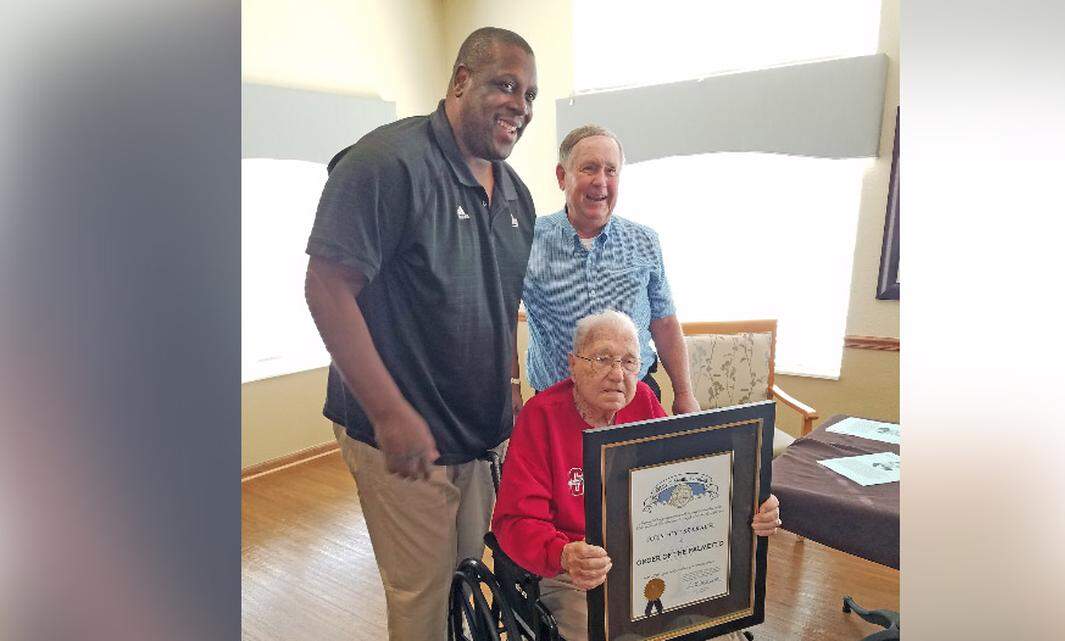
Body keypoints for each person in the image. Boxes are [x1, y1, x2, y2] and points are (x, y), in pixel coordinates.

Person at [303, 26, 538, 641]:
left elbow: (496, 303)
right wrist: (389, 414)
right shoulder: (387, 164)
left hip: (478, 437)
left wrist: (510, 386)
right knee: (422, 599)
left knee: (467, 579)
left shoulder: (515, 195)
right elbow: (327, 288)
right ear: (460, 81)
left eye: (530, 94)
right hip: (402, 442)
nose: (521, 105)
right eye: (505, 84)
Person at [492, 310, 781, 641]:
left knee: (715, 628)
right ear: (573, 364)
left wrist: (753, 503)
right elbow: (514, 522)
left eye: (629, 362)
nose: (617, 374)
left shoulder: (643, 400)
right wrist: (563, 553)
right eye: (603, 358)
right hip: (577, 571)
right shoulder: (541, 417)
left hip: (652, 557)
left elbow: (687, 480)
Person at [521, 124, 701, 415]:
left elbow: (665, 323)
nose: (600, 181)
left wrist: (684, 394)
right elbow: (500, 320)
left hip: (633, 401)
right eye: (589, 168)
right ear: (561, 176)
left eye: (610, 170)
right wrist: (512, 388)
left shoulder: (645, 242)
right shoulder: (525, 240)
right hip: (557, 408)